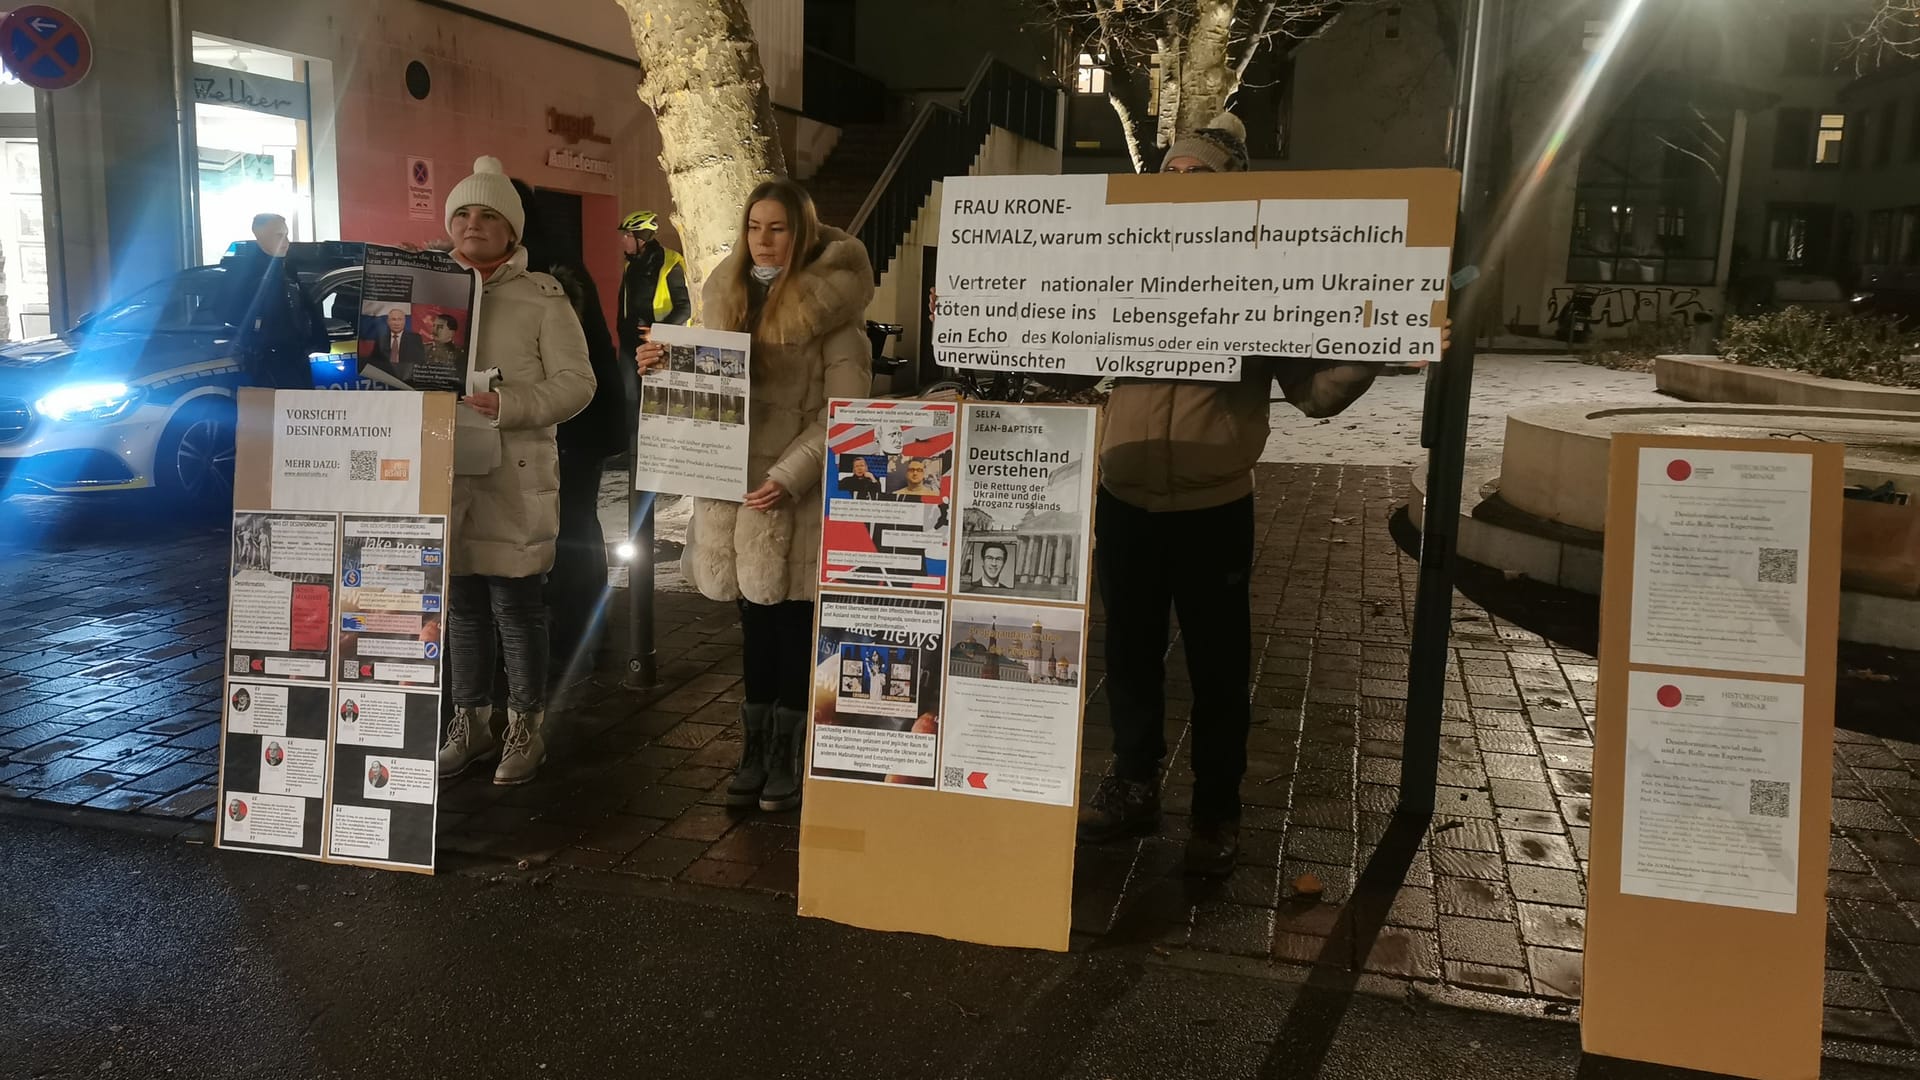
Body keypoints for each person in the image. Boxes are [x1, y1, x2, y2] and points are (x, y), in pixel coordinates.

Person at [1077, 112, 1424, 877]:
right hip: (1125, 496)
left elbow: (1314, 394)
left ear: (1233, 192)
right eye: (1170, 174)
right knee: (1128, 657)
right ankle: (1133, 787)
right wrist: (989, 323)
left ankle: (1216, 809)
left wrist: (1371, 347)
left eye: (1198, 176)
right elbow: (1062, 353)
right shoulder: (1121, 265)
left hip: (1211, 507)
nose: (1181, 186)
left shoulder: (1262, 280)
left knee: (1218, 668)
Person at [635, 178, 873, 813]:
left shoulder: (836, 319)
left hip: (791, 498)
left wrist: (789, 474)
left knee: (793, 628)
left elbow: (845, 416)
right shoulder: (727, 301)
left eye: (779, 228)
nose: (763, 240)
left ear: (804, 234)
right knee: (753, 628)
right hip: (733, 493)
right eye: (754, 227)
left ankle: (786, 756)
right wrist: (663, 369)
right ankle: (753, 749)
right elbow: (702, 395)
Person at [431, 157, 595, 787]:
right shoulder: (424, 291)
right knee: (463, 603)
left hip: (514, 474)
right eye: (464, 214)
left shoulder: (542, 298)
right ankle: (469, 722)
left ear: (511, 231)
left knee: (517, 605)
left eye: (489, 215)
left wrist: (513, 405)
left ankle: (526, 727)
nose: (474, 225)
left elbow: (578, 384)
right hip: (444, 470)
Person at [510, 178, 628, 665]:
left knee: (571, 523)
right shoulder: (550, 256)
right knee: (574, 521)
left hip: (575, 424)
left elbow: (557, 365)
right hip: (583, 423)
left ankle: (580, 629)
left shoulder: (542, 271)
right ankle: (581, 625)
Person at [225, 212, 324, 389]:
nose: (286, 241)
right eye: (279, 235)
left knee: (300, 412)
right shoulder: (247, 276)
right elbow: (230, 314)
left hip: (297, 357)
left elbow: (307, 309)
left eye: (286, 234)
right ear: (260, 236)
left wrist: (318, 340)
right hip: (266, 361)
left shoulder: (288, 270)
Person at [368, 308, 425, 380]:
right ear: (388, 322)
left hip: (409, 379)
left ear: (404, 321)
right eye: (393, 319)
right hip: (386, 378)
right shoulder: (381, 339)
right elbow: (374, 362)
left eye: (400, 319)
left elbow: (420, 361)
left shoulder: (415, 338)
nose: (396, 323)